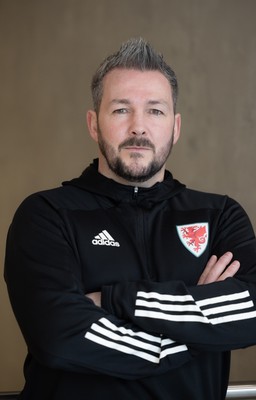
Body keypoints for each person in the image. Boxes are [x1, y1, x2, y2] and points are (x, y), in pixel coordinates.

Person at [4, 38, 256, 400]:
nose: (139, 127)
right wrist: (200, 331)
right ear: (94, 124)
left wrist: (116, 300)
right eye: (121, 110)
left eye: (155, 111)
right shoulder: (47, 215)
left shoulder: (219, 217)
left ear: (176, 126)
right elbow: (60, 336)